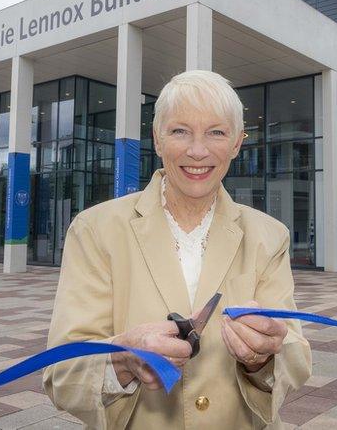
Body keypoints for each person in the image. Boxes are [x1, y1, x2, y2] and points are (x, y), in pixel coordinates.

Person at [43, 70, 312, 429]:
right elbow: (62, 375)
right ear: (157, 139)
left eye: (216, 132)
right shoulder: (95, 230)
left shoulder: (269, 235)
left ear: (236, 143)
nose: (197, 150)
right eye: (180, 131)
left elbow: (296, 360)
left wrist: (262, 360)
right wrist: (122, 360)